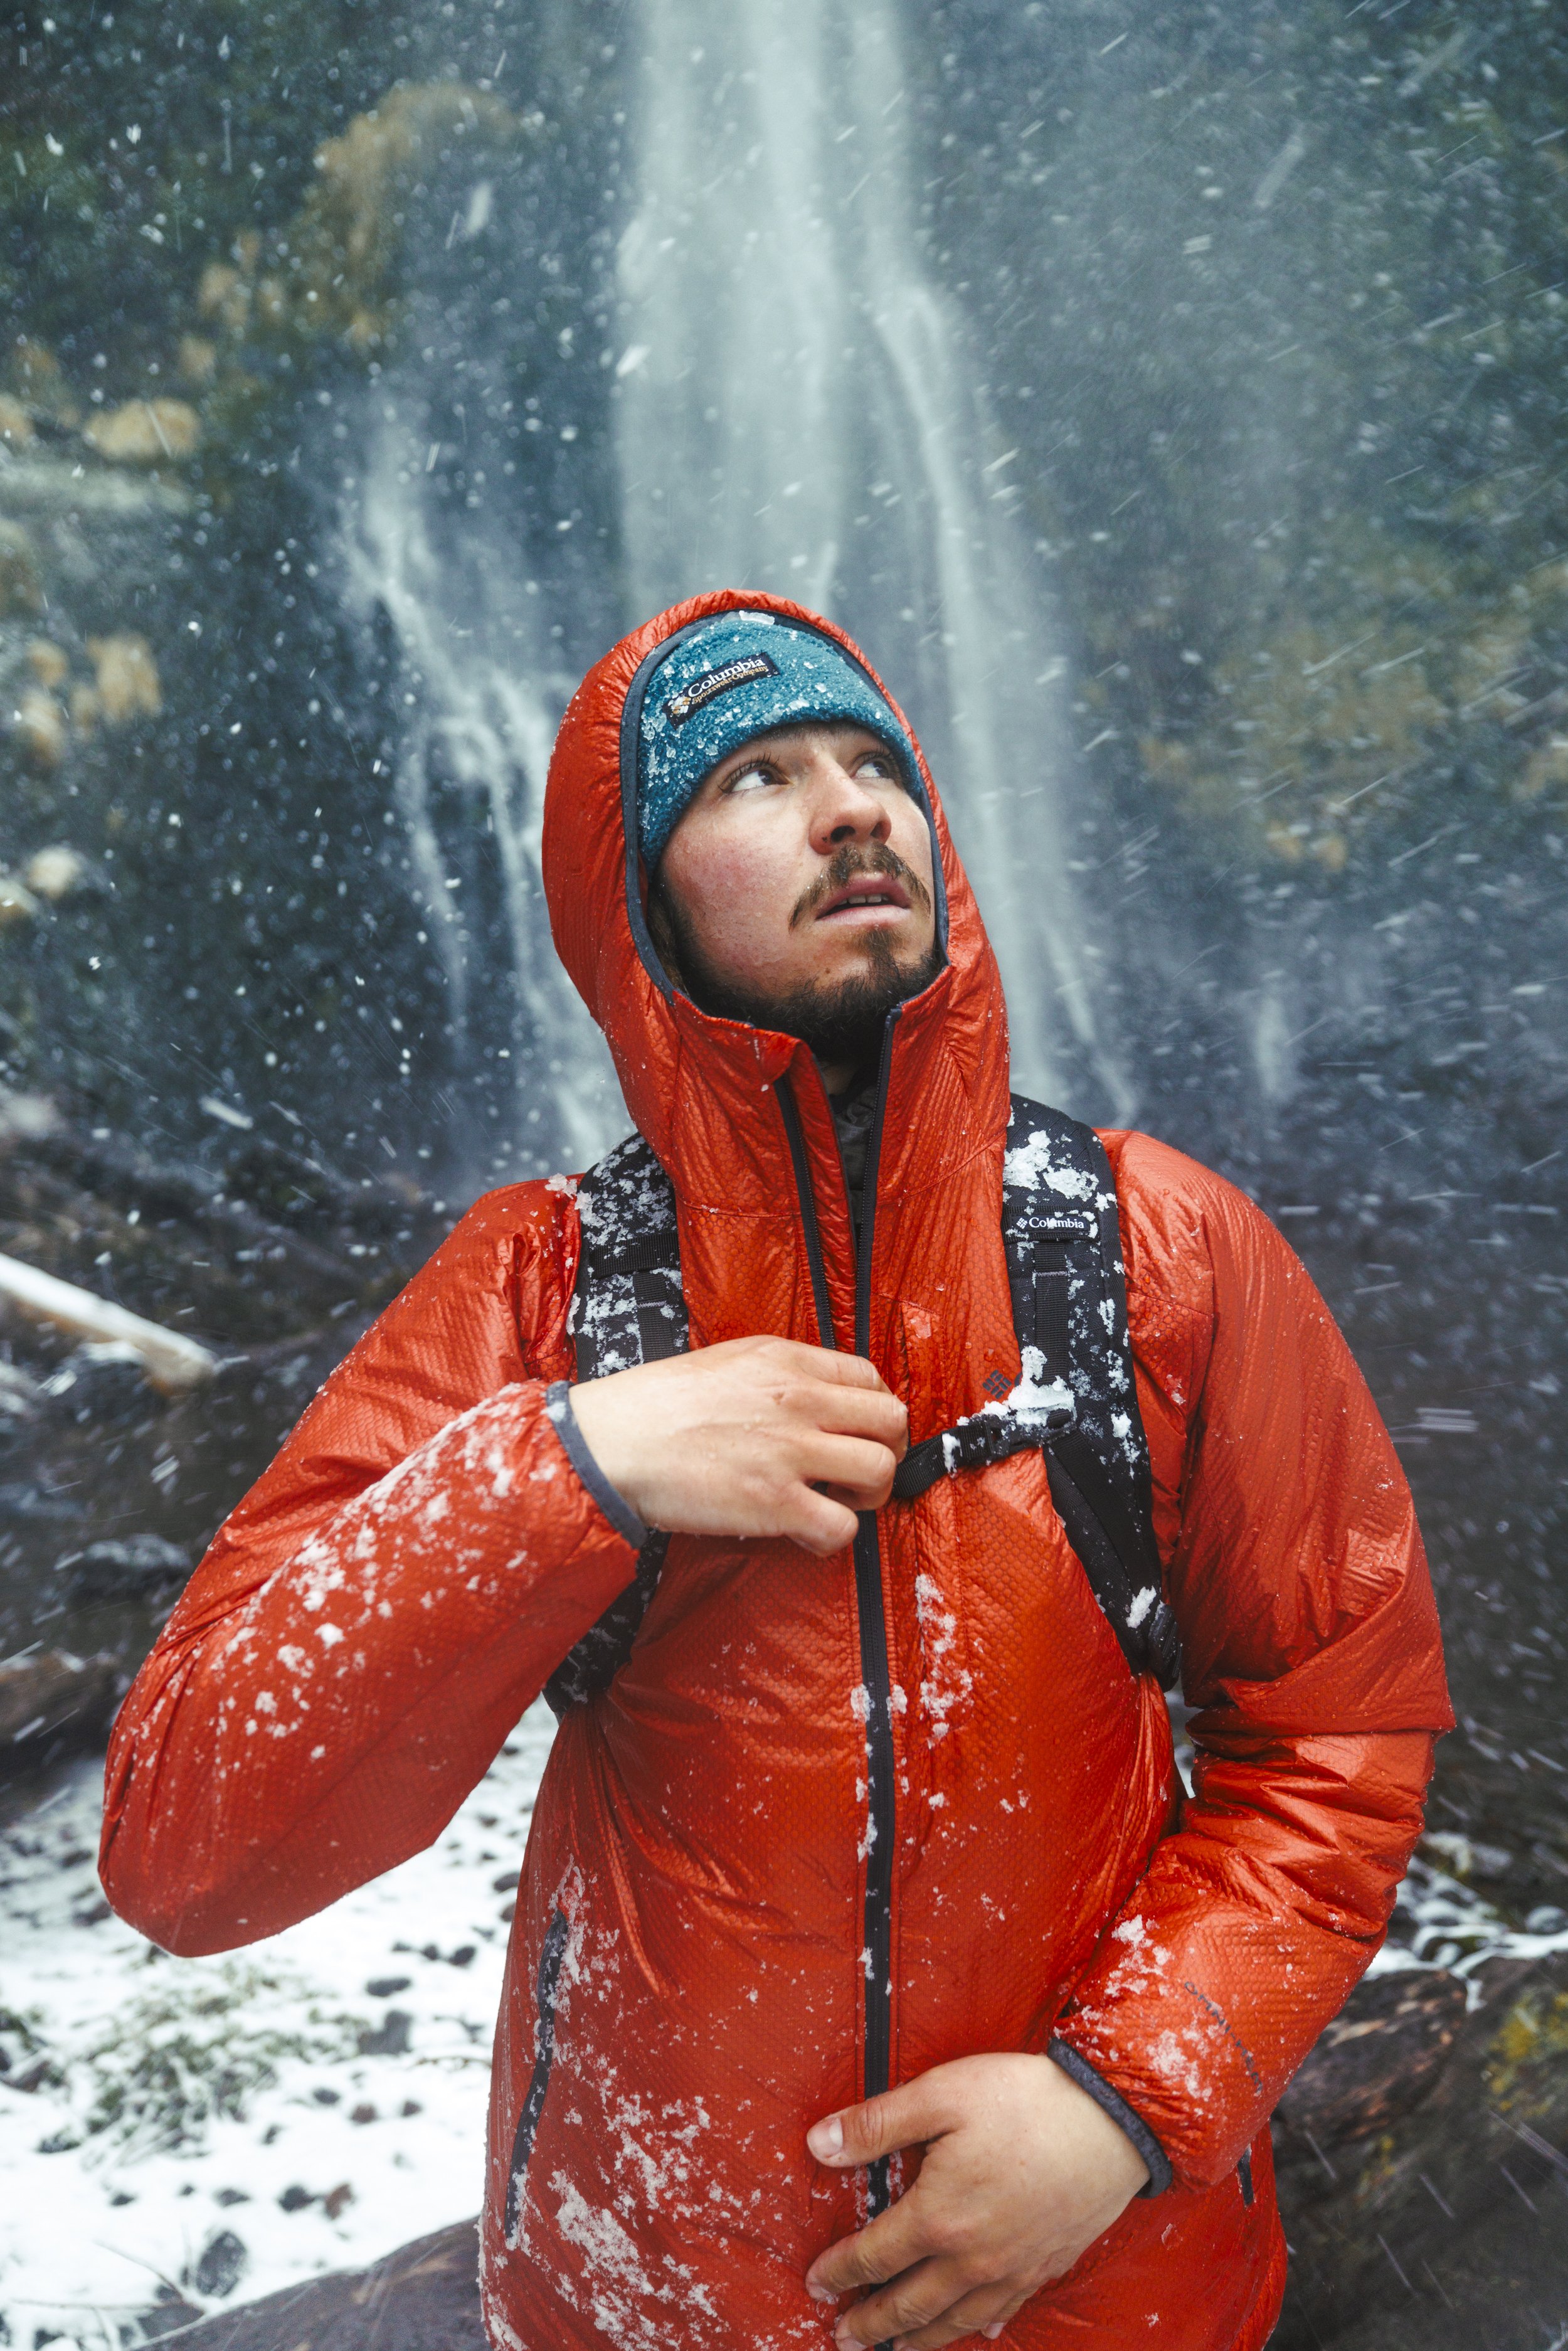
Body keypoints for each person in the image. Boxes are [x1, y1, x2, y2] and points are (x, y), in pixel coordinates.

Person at [100, 590, 1452, 2351]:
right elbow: (186, 1844)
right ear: (639, 906)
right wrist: (566, 1467)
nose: (849, 807)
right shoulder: (541, 1294)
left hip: (1106, 2291)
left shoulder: (1153, 1250)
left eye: (874, 761)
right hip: (646, 2301)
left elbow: (1333, 1740)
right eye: (751, 775)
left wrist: (1119, 2101)